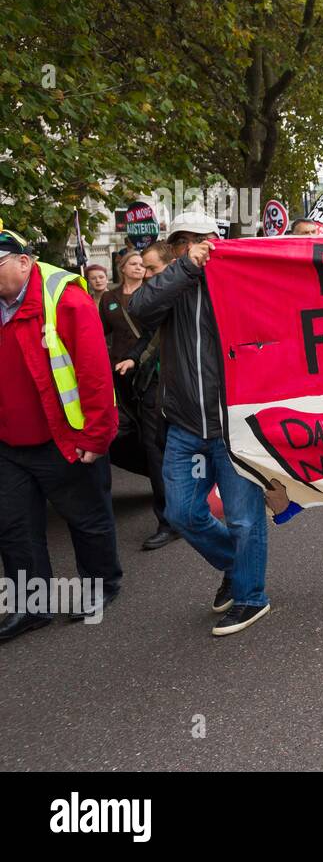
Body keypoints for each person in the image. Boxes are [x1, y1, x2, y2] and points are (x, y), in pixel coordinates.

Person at [129, 208, 272, 635]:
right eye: (184, 241)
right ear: (174, 249)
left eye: (203, 238)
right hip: (185, 424)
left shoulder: (237, 280)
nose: (195, 246)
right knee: (182, 512)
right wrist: (185, 270)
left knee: (244, 518)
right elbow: (138, 308)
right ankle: (236, 564)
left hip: (233, 425)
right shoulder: (168, 287)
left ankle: (250, 596)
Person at [0, 228, 121, 642]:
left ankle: (101, 585)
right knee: (14, 527)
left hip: (64, 437)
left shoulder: (65, 298)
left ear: (23, 262)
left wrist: (97, 436)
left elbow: (94, 373)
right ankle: (31, 606)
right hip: (9, 442)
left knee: (87, 519)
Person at [100, 249, 176, 549]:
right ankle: (168, 520)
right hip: (150, 385)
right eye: (141, 268)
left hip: (191, 388)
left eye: (151, 269)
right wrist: (132, 359)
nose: (145, 275)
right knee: (154, 447)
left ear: (172, 266)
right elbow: (149, 335)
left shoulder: (189, 291)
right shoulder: (122, 298)